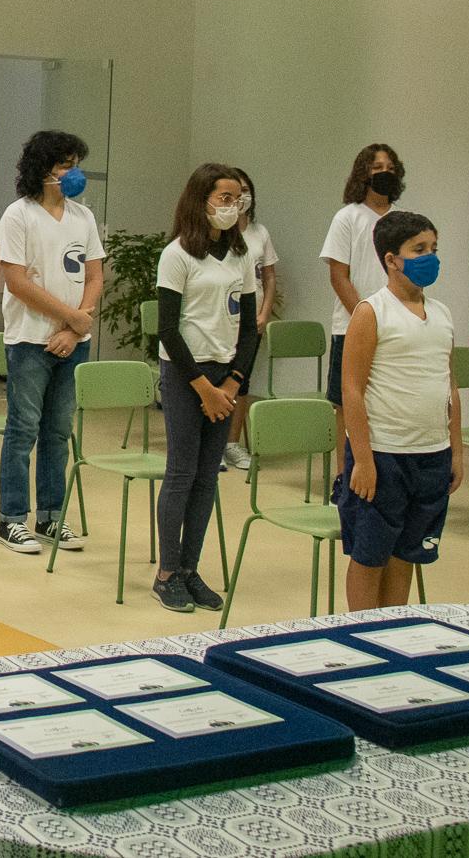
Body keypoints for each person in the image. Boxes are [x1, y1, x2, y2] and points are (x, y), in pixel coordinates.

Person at [338, 210, 461, 610]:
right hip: (384, 455)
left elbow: (450, 388)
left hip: (431, 454)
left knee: (408, 552)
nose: (430, 257)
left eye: (434, 248)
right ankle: (360, 635)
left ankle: (393, 632)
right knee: (370, 554)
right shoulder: (372, 312)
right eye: (419, 249)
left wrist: (456, 451)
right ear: (391, 259)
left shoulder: (441, 314)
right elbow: (352, 390)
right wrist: (364, 460)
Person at [152, 163, 261, 613]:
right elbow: (168, 329)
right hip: (186, 375)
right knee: (181, 473)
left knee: (207, 476)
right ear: (201, 200)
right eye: (224, 197)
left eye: (238, 198)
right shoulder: (177, 254)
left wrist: (233, 381)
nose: (232, 206)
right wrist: (203, 387)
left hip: (224, 376)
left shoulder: (241, 254)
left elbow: (251, 328)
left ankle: (191, 569)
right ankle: (166, 573)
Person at [0, 130, 103, 555]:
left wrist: (76, 327)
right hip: (29, 339)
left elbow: (94, 276)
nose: (73, 173)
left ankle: (51, 516)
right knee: (23, 429)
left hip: (73, 340)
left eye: (76, 162)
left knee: (58, 431)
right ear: (43, 170)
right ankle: (12, 518)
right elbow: (17, 282)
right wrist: (68, 317)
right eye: (64, 165)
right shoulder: (19, 215)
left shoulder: (83, 217)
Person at [320, 144, 404, 470]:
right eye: (376, 167)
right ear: (363, 174)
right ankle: (345, 476)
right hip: (353, 326)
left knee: (385, 404)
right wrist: (365, 317)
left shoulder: (403, 219)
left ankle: (380, 472)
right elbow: (339, 276)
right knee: (347, 403)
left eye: (389, 167)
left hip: (395, 328)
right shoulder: (348, 217)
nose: (384, 172)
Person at [222, 167, 279, 470]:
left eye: (246, 189)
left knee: (241, 381)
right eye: (234, 191)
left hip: (251, 320)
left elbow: (269, 277)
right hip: (220, 321)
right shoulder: (217, 230)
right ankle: (212, 446)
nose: (241, 196)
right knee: (217, 378)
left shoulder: (260, 233)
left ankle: (232, 443)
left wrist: (265, 312)